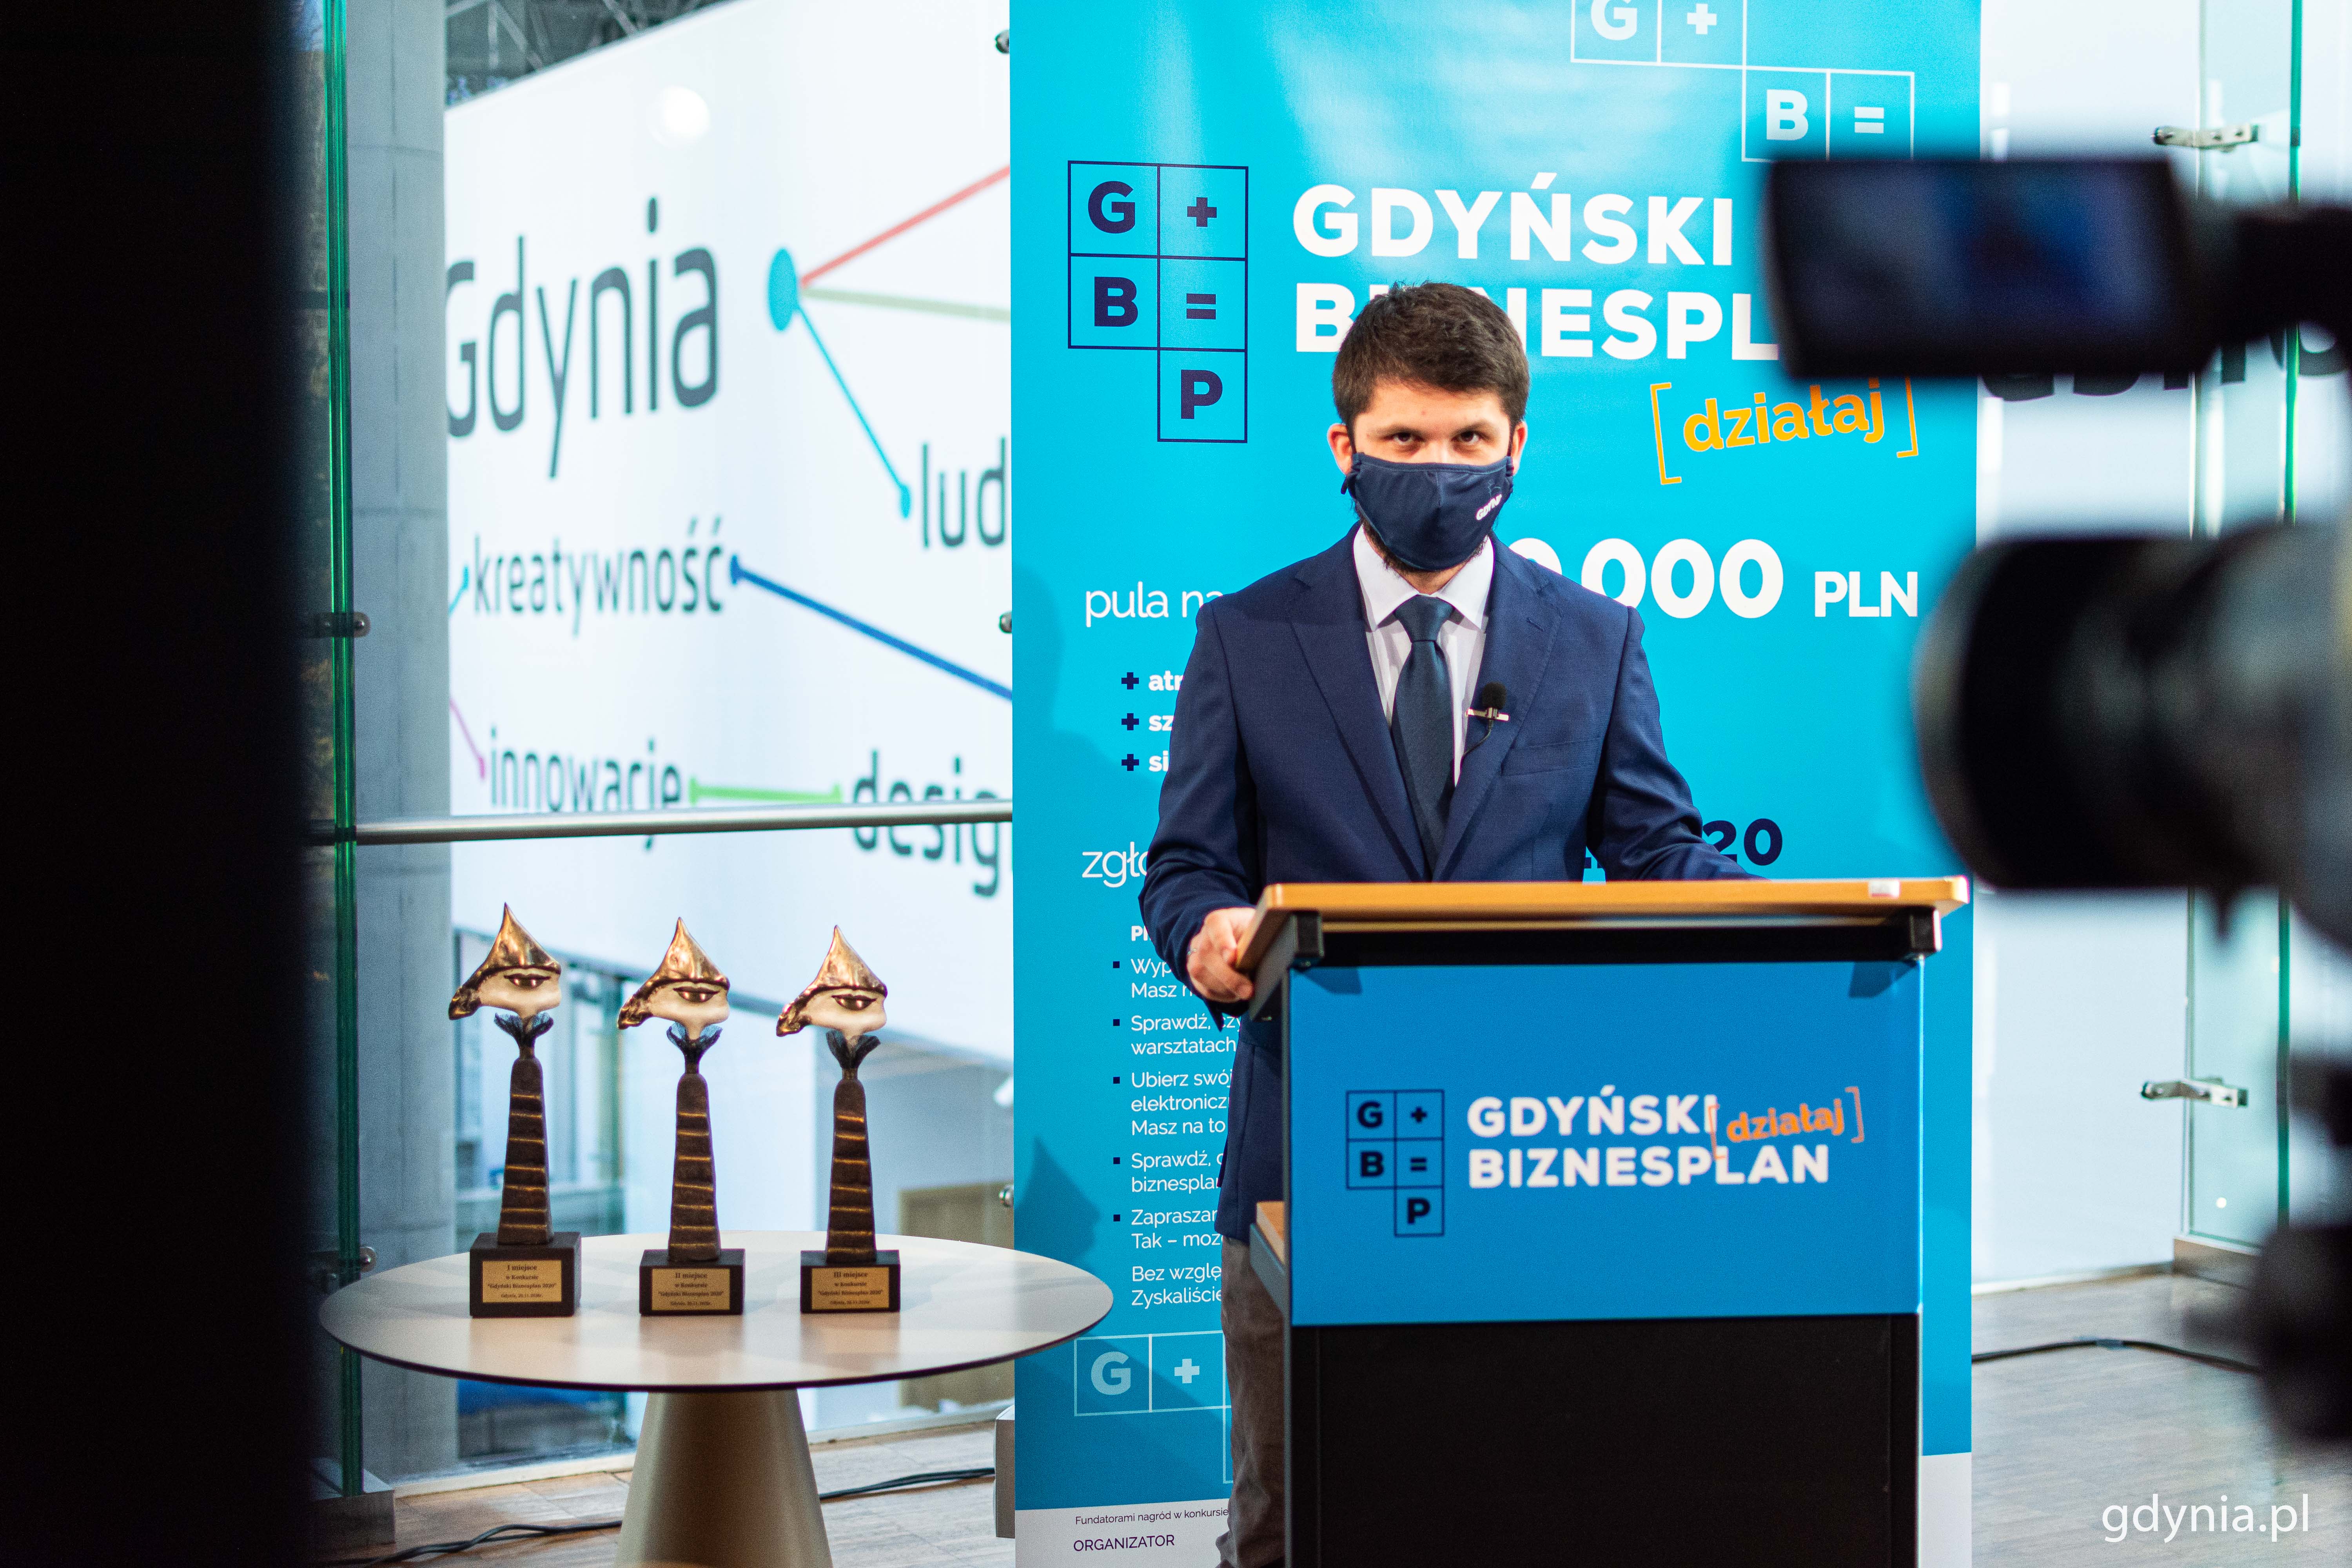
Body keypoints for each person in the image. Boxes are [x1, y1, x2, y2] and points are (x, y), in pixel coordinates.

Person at [1137, 282, 1747, 1568]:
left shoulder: (1594, 638)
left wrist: (1756, 910)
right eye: (1404, 439)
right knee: (1292, 1521)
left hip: (1533, 1145)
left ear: (1516, 446)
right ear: (1344, 446)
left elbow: (1653, 846)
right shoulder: (1247, 636)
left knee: (1513, 1504)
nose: (1439, 468)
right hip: (1303, 1150)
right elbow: (1186, 866)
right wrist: (1205, 934)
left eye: (1470, 439)